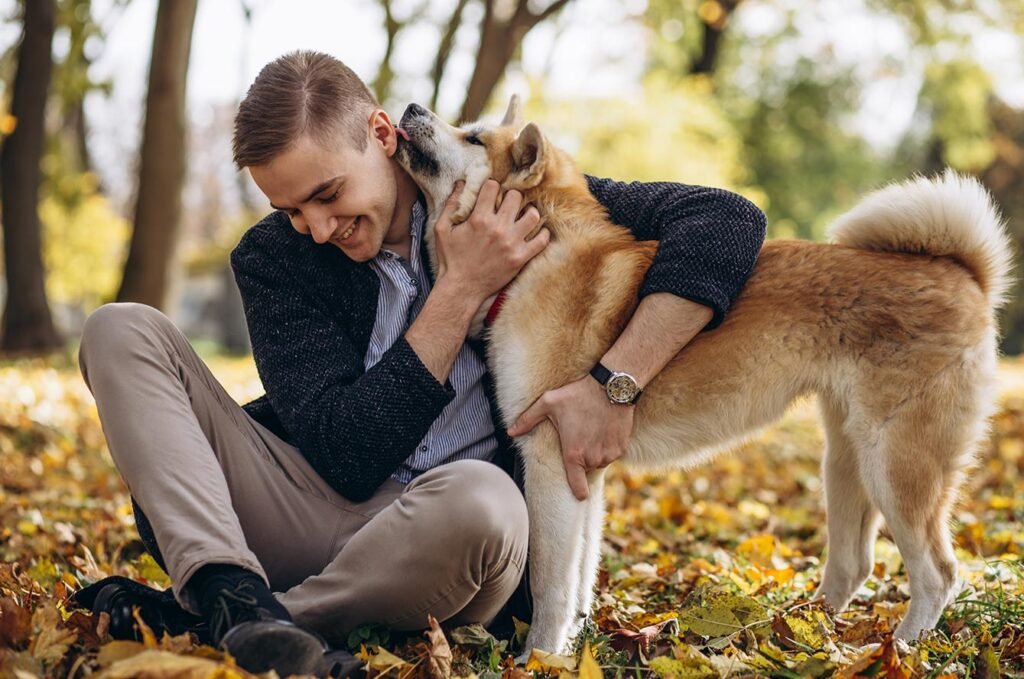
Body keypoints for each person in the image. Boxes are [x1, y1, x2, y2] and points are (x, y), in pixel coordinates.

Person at [73, 50, 766, 676]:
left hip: (449, 541)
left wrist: (613, 385)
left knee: (487, 500)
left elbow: (728, 221)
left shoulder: (508, 194)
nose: (317, 228)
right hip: (310, 505)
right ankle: (231, 595)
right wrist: (461, 289)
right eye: (290, 209)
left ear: (381, 135)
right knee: (119, 328)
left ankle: (253, 622)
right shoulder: (274, 258)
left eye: (327, 194)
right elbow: (346, 453)